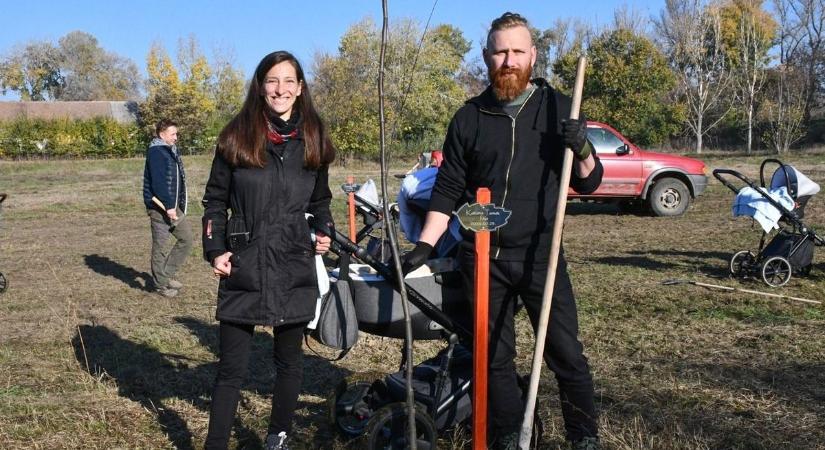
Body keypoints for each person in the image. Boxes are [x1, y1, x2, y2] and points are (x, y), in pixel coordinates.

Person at [402, 12, 603, 450]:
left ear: (532, 55)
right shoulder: (469, 117)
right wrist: (423, 245)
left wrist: (582, 146)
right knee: (492, 357)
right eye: (500, 52)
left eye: (517, 51)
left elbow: (589, 180)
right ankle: (509, 435)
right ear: (486, 56)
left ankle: (585, 437)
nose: (508, 60)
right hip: (482, 257)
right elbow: (449, 188)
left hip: (539, 255)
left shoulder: (558, 108)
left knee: (565, 353)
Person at [201, 51, 335, 450]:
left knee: (289, 363)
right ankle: (216, 443)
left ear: (300, 87)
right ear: (260, 86)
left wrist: (324, 230)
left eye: (288, 81)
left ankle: (277, 436)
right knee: (231, 369)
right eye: (272, 81)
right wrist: (215, 249)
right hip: (245, 264)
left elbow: (321, 201)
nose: (280, 89)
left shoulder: (314, 137)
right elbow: (214, 201)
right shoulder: (235, 136)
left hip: (294, 262)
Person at [143, 119, 193, 297]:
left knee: (186, 239)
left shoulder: (169, 151)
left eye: (176, 134)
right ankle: (159, 285)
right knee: (160, 247)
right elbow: (159, 184)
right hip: (160, 207)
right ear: (162, 134)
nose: (176, 137)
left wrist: (176, 205)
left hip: (172, 206)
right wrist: (169, 207)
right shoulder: (157, 152)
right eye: (173, 134)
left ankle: (165, 275)